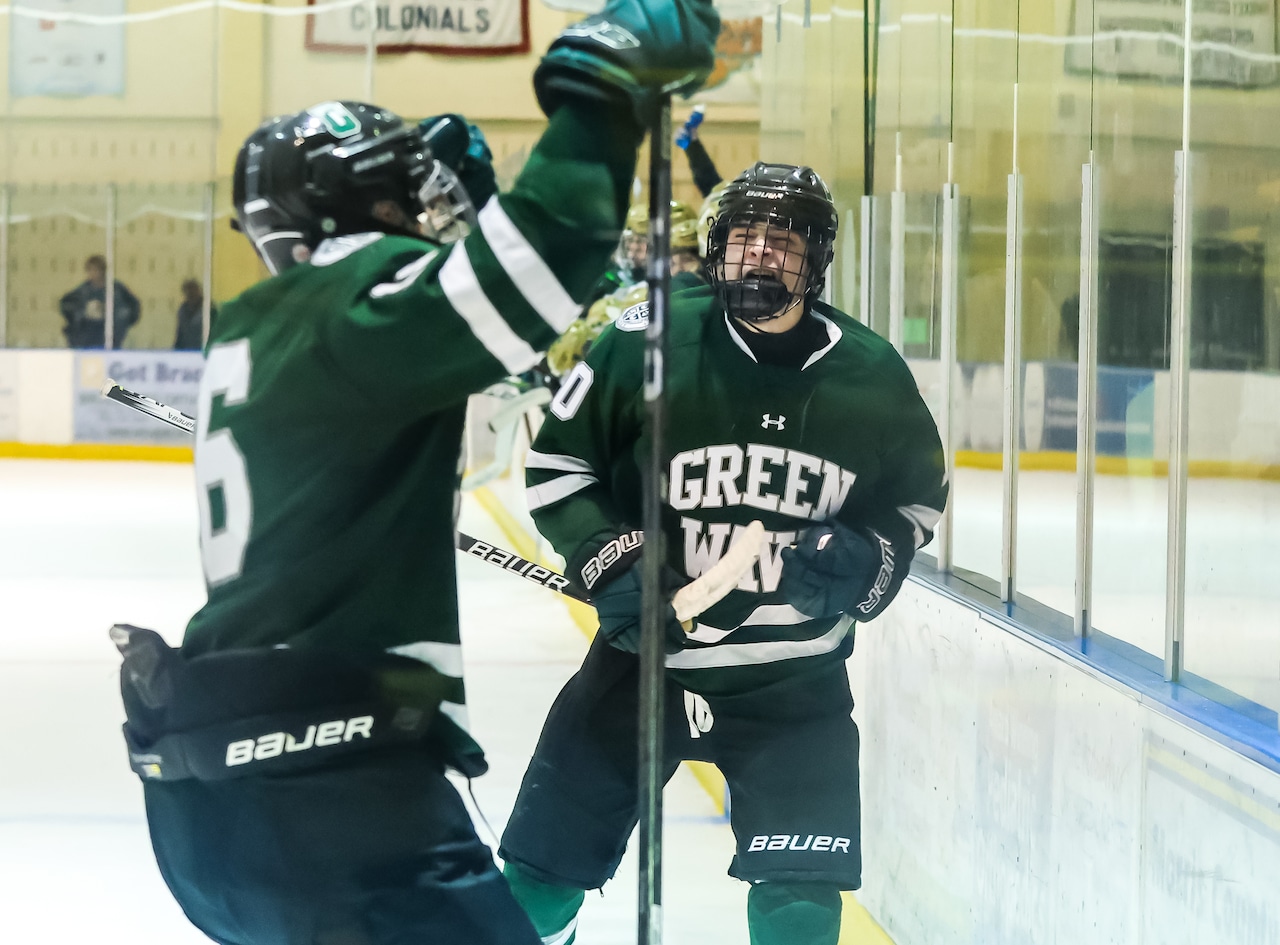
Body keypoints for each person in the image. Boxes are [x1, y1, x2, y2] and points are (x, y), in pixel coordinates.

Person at [110, 2, 720, 943]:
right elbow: (535, 265)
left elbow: (482, 393)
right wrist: (600, 86)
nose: (431, 210)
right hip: (335, 804)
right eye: (408, 193)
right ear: (361, 206)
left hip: (220, 804)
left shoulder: (264, 322)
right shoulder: (355, 308)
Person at [500, 162, 950, 945]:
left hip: (794, 685)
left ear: (818, 259)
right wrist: (613, 557)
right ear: (716, 250)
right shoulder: (645, 339)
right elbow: (558, 464)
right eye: (745, 239)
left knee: (799, 904)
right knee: (534, 887)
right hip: (638, 671)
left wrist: (866, 558)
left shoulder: (872, 374)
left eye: (784, 242)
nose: (761, 257)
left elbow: (915, 499)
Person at [545, 198, 703, 380]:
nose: (634, 248)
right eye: (631, 240)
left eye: (642, 241)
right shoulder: (612, 280)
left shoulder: (681, 290)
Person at [59, 253, 141, 348]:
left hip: (110, 339)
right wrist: (84, 312)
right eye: (90, 270)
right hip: (85, 340)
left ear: (103, 271)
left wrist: (110, 312)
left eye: (96, 270)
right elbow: (67, 307)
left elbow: (132, 308)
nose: (93, 274)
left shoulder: (117, 290)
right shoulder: (80, 293)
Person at [173, 277, 214, 351]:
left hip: (204, 350)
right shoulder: (182, 310)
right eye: (188, 291)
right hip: (186, 351)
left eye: (193, 290)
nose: (191, 293)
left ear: (199, 290)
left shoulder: (209, 309)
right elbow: (180, 333)